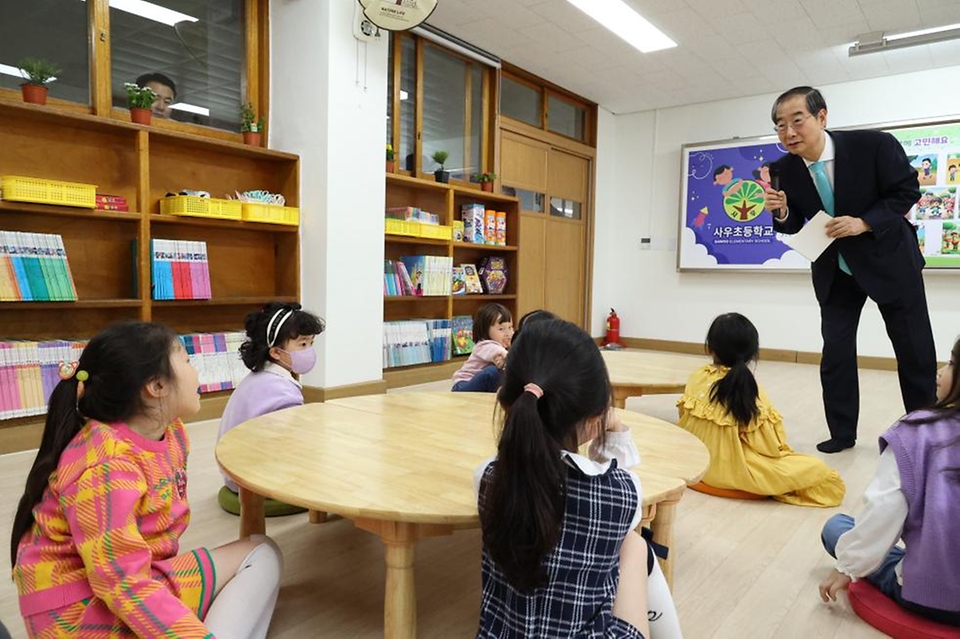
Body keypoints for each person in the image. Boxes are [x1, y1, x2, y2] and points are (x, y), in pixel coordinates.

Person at [11, 322, 282, 638]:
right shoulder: (106, 467)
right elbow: (122, 583)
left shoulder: (171, 432)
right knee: (260, 556)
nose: (197, 374)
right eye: (187, 361)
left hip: (121, 581)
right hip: (77, 620)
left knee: (262, 549)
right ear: (156, 386)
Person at [476, 319, 682, 639]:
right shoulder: (622, 496)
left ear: (507, 403)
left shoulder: (488, 479)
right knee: (635, 547)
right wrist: (614, 431)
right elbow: (622, 479)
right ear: (595, 417)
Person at [763, 86, 937, 453]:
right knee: (836, 353)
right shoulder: (783, 169)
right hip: (835, 268)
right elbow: (793, 221)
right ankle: (842, 434)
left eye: (797, 121)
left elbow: (906, 191)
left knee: (914, 351)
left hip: (889, 261)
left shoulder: (874, 145)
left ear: (822, 117)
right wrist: (780, 211)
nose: (789, 132)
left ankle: (925, 435)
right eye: (780, 126)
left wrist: (864, 222)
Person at [818, 335, 960, 627]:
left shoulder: (917, 432)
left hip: (934, 598)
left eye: (952, 363)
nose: (941, 371)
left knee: (837, 528)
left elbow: (883, 513)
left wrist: (846, 567)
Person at [677, 313, 845, 506]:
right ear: (753, 353)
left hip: (695, 462)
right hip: (733, 472)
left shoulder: (697, 377)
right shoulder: (750, 391)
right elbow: (769, 445)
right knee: (820, 471)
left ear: (709, 348)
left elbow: (684, 420)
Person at [217, 302, 325, 510]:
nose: (309, 351)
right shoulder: (281, 393)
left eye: (311, 343)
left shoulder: (259, 378)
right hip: (256, 481)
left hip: (235, 475)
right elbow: (290, 448)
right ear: (275, 352)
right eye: (303, 345)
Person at [451, 302, 513, 392]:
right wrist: (506, 357)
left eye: (510, 327)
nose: (508, 333)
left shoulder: (503, 345)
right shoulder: (484, 345)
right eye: (501, 329)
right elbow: (496, 351)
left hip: (479, 386)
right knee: (493, 372)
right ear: (485, 330)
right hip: (463, 385)